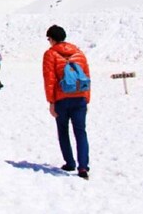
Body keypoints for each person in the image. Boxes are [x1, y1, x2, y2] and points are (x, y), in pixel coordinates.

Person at [43, 24, 91, 179]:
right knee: (80, 132)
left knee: (63, 131)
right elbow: (87, 76)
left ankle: (70, 162)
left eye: (49, 38)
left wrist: (51, 102)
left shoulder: (50, 54)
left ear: (52, 39)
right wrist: (86, 98)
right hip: (79, 98)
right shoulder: (79, 53)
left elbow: (49, 79)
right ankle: (83, 167)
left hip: (61, 99)